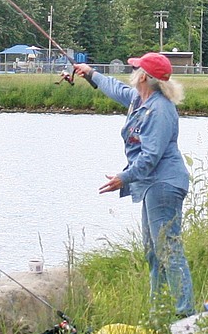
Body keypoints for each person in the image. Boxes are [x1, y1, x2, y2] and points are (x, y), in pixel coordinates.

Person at [74, 53, 195, 317]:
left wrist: (124, 178)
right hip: (152, 186)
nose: (133, 70)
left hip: (164, 185)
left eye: (136, 68)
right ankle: (160, 313)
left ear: (143, 77)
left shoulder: (160, 110)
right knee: (154, 252)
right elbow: (116, 89)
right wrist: (91, 74)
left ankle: (186, 314)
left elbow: (150, 156)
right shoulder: (140, 99)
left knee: (169, 249)